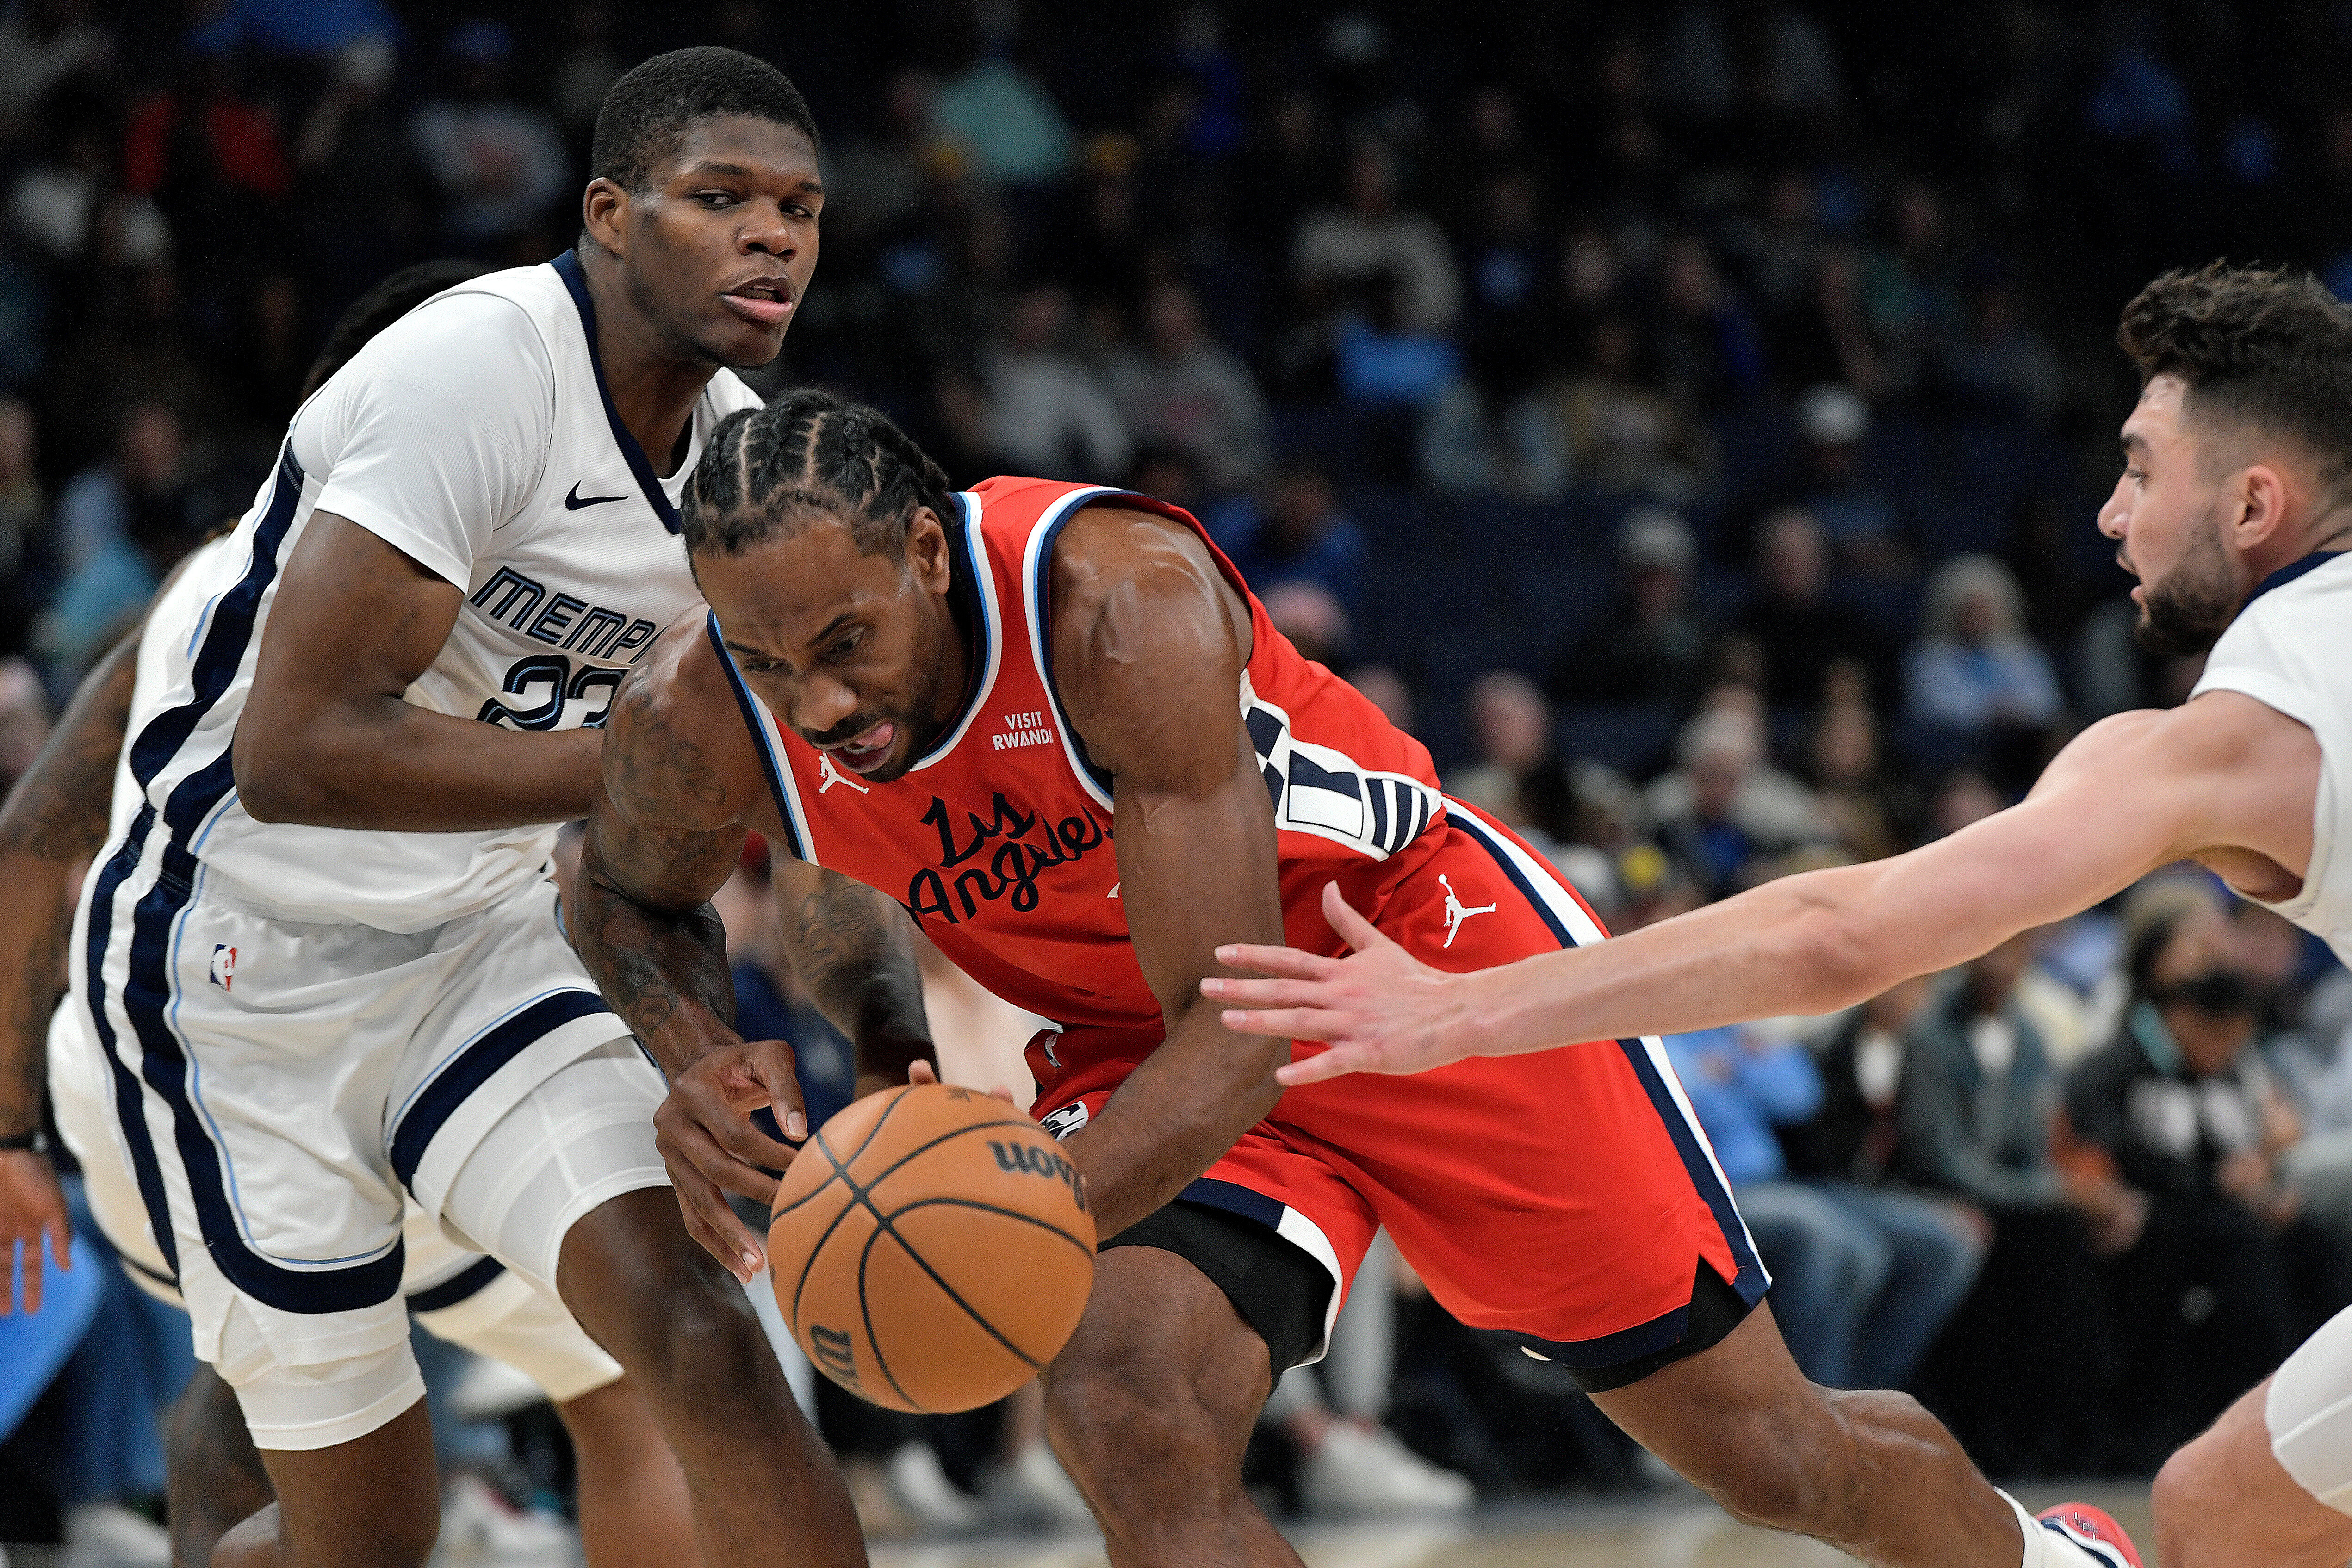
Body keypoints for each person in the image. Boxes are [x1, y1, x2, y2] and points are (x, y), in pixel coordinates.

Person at [568, 388, 2126, 1568]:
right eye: (772, 663)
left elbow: (1239, 1019)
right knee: (1125, 1406)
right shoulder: (707, 710)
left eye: (846, 642)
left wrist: (1011, 1221)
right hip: (1139, 1032)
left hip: (1413, 963)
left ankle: (2044, 1561)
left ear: (924, 549)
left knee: (1772, 1458)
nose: (818, 700)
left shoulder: (1113, 606)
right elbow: (639, 891)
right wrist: (725, 1050)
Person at [1208, 261, 2352, 1568]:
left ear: (2255, 502)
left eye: (2142, 471)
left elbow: (1839, 937)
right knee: (2229, 1510)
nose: (2107, 511)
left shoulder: (2239, 740)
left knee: (2216, 1524)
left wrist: (1461, 1007)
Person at [2, 50, 876, 1568]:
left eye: (798, 209)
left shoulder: (745, 467)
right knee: (365, 1539)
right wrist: (3, 1121)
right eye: (722, 198)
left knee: (699, 1344)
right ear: (609, 215)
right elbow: (297, 755)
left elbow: (801, 800)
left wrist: (856, 1044)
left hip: (483, 947)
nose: (773, 238)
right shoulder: (476, 367)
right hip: (233, 978)